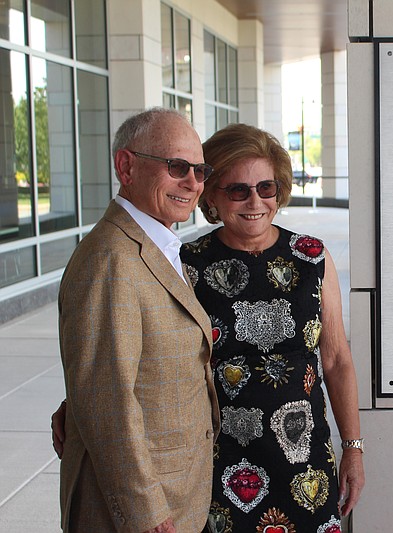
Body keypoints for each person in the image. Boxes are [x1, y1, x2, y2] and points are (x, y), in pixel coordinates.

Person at [183, 123, 364, 532]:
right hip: (223, 462)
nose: (255, 201)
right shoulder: (188, 264)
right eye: (237, 190)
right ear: (212, 195)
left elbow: (336, 361)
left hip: (306, 462)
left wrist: (353, 448)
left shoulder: (312, 257)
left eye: (266, 188)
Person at [56, 108, 220, 533]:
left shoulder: (154, 241)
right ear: (126, 166)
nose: (193, 183)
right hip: (138, 515)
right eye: (177, 167)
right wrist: (146, 513)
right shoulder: (110, 259)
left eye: (200, 171)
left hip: (174, 495)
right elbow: (107, 402)